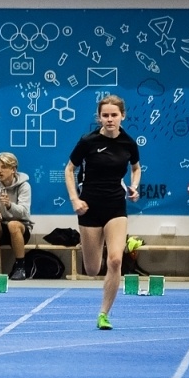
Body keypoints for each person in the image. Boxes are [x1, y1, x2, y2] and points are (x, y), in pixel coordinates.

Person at [65, 96, 141, 330]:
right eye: (105, 115)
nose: (109, 119)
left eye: (114, 115)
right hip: (89, 206)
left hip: (116, 206)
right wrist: (75, 199)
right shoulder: (88, 141)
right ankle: (91, 246)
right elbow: (69, 170)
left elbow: (136, 168)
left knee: (116, 259)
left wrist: (134, 186)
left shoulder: (129, 143)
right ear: (99, 117)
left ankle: (103, 314)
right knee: (92, 269)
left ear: (122, 116)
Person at [0, 151, 33, 281]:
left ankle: (20, 267)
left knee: (13, 225)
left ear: (13, 169)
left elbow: (24, 212)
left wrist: (9, 206)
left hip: (21, 228)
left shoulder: (25, 186)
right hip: (2, 227)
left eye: (4, 167)